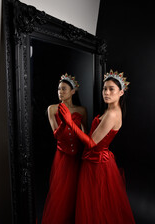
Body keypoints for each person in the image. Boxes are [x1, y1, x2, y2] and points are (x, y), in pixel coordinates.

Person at [58, 69, 136, 224]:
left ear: (121, 92)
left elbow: (92, 143)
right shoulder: (110, 110)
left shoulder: (113, 113)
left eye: (111, 89)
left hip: (97, 163)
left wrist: (69, 122)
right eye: (104, 88)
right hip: (94, 160)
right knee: (96, 203)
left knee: (96, 204)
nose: (106, 92)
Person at [41, 73, 87, 224]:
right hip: (63, 157)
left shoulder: (81, 110)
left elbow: (85, 135)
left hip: (78, 156)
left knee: (79, 192)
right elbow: (56, 135)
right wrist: (65, 122)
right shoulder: (52, 109)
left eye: (64, 89)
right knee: (62, 194)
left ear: (73, 91)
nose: (60, 92)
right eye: (59, 89)